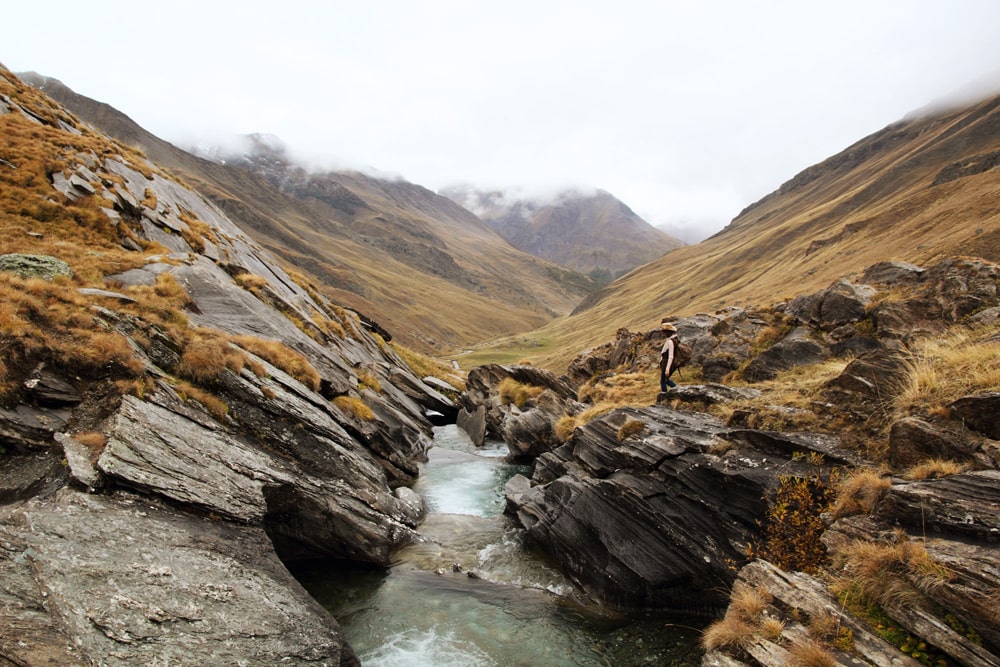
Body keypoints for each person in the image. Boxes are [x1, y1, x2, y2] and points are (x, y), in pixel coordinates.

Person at [659, 321, 678, 392]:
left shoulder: (670, 342)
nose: (663, 334)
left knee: (663, 381)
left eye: (664, 332)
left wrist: (667, 368)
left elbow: (671, 356)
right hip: (667, 363)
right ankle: (677, 389)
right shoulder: (674, 339)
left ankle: (664, 395)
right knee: (665, 380)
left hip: (667, 363)